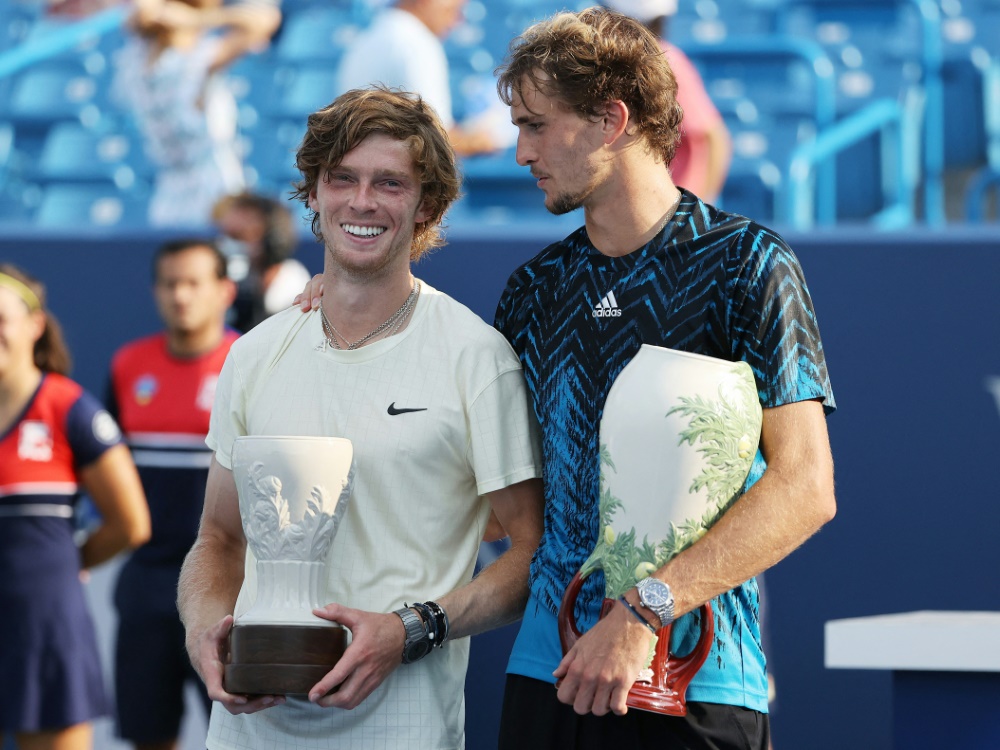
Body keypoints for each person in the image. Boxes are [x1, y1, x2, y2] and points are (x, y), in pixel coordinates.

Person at [177, 86, 544, 750]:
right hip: (248, 730)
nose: (362, 201)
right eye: (341, 178)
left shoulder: (475, 357)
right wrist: (204, 633)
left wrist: (411, 628)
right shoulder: (255, 354)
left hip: (404, 728)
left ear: (426, 204)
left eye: (390, 183)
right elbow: (218, 542)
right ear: (312, 194)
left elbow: (530, 551)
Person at [0, 264, 151, 750]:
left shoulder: (68, 408)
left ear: (34, 325)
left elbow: (130, 524)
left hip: (45, 635)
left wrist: (63, 564)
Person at [107, 240, 238, 750]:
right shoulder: (126, 365)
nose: (181, 295)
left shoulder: (250, 361)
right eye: (169, 283)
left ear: (225, 291)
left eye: (194, 282)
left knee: (238, 730)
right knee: (148, 734)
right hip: (147, 582)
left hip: (231, 585)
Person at [113, 0, 281, 226]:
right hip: (170, 188)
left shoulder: (201, 58)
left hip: (213, 186)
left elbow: (265, 20)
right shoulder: (140, 58)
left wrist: (195, 18)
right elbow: (137, 15)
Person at [337, 0, 507, 156]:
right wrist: (485, 139)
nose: (458, 20)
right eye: (453, 9)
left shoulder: (367, 39)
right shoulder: (417, 42)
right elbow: (436, 139)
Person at [604, 0, 732, 203]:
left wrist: (699, 210)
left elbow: (714, 137)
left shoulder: (666, 62)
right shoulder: (642, 62)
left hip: (670, 214)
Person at [211, 191, 312, 333]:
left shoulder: (291, 281)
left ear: (272, 239)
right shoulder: (233, 281)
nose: (228, 243)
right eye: (226, 234)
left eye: (239, 235)